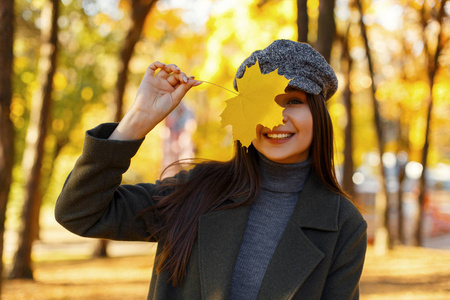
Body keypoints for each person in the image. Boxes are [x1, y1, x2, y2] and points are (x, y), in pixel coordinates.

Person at [55, 39, 367, 300]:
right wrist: (137, 120)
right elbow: (80, 212)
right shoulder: (197, 190)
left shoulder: (343, 225)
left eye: (293, 101)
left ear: (318, 114)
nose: (276, 117)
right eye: (262, 103)